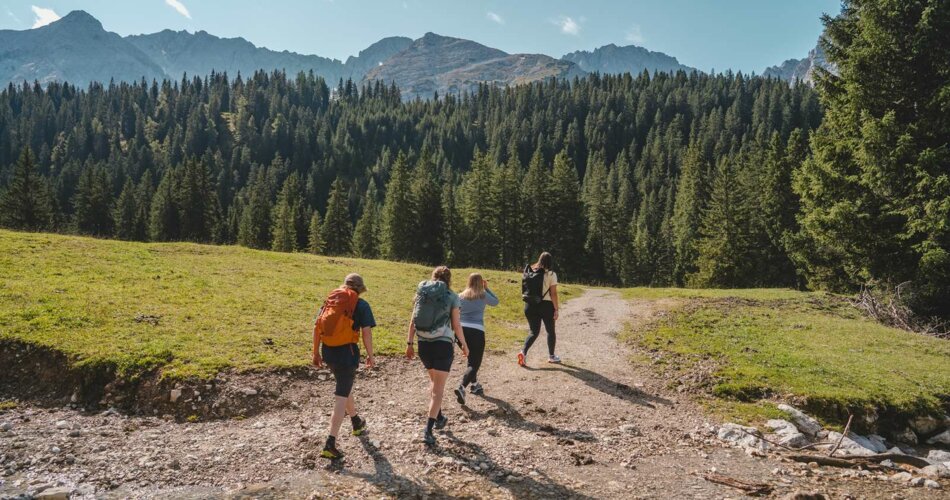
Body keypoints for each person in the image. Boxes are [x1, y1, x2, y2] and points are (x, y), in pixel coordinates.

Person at [312, 273, 376, 460]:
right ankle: (330, 443)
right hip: (346, 353)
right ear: (360, 289)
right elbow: (366, 333)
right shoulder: (361, 305)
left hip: (328, 351)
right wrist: (370, 355)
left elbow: (317, 326)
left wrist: (315, 352)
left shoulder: (331, 301)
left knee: (344, 385)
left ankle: (356, 422)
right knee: (340, 397)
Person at [405, 266, 469, 446]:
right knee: (438, 390)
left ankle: (439, 417)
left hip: (423, 344)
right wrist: (464, 344)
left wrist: (409, 344)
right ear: (449, 279)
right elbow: (457, 325)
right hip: (442, 345)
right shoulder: (452, 296)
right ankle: (428, 430)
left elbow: (412, 321)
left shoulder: (422, 294)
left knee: (434, 383)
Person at [453, 273, 499, 405]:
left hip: (460, 331)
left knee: (470, 358)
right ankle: (461, 386)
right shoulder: (483, 295)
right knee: (475, 363)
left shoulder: (460, 295)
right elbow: (496, 301)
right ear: (481, 283)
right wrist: (487, 288)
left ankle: (475, 385)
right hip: (476, 331)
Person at [518, 251, 560, 367]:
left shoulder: (529, 270)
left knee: (533, 332)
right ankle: (551, 356)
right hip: (546, 306)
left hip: (530, 305)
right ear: (550, 262)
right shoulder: (551, 274)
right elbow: (553, 294)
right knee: (550, 331)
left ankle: (523, 352)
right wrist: (556, 309)